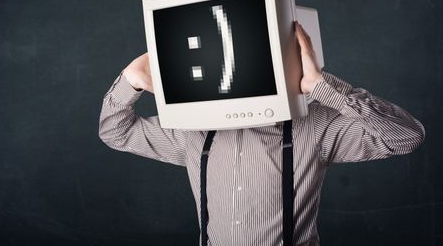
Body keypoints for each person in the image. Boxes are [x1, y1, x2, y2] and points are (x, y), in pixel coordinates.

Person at [98, 22, 425, 246]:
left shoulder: (314, 125)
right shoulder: (193, 129)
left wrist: (323, 87)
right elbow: (116, 132)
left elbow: (405, 137)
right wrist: (132, 79)